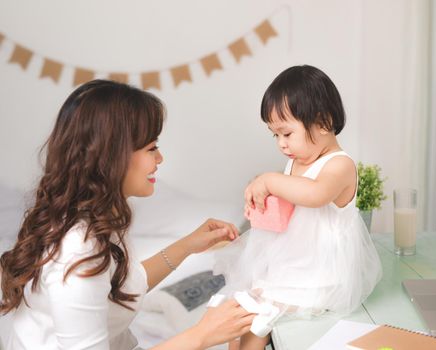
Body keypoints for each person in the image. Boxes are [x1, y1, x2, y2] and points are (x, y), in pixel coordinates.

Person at [0, 80, 255, 350]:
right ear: (114, 156)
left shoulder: (94, 218)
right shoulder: (78, 249)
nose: (160, 159)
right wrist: (201, 335)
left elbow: (120, 287)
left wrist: (187, 246)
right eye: (151, 148)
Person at [214, 65, 383, 350]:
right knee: (238, 315)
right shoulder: (296, 161)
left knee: (256, 320)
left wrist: (268, 179)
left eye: (286, 133)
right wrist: (262, 204)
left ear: (323, 122)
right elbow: (293, 208)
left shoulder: (339, 165)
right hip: (293, 268)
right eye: (274, 135)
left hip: (321, 278)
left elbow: (315, 195)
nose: (281, 144)